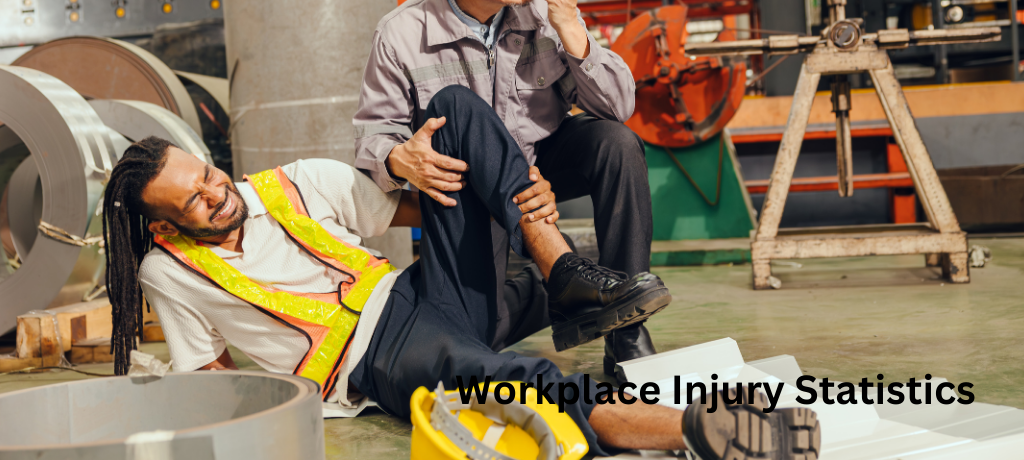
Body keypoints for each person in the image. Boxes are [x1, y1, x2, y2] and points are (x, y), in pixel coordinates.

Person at [101, 86, 819, 459]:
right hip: (376, 355)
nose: (216, 192)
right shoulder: (169, 271)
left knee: (450, 110)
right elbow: (213, 374)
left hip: (418, 290)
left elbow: (428, 204)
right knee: (508, 380)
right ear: (165, 224)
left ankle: (562, 269)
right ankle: (692, 429)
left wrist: (507, 197)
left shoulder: (295, 182)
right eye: (193, 200)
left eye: (208, 174)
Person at [354, 0, 656, 378]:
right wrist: (398, 158)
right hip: (472, 193)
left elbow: (618, 105)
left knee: (616, 145)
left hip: (544, 164)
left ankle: (626, 330)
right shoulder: (401, 35)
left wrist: (570, 24)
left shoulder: (544, 11)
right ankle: (561, 288)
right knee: (478, 337)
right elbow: (373, 136)